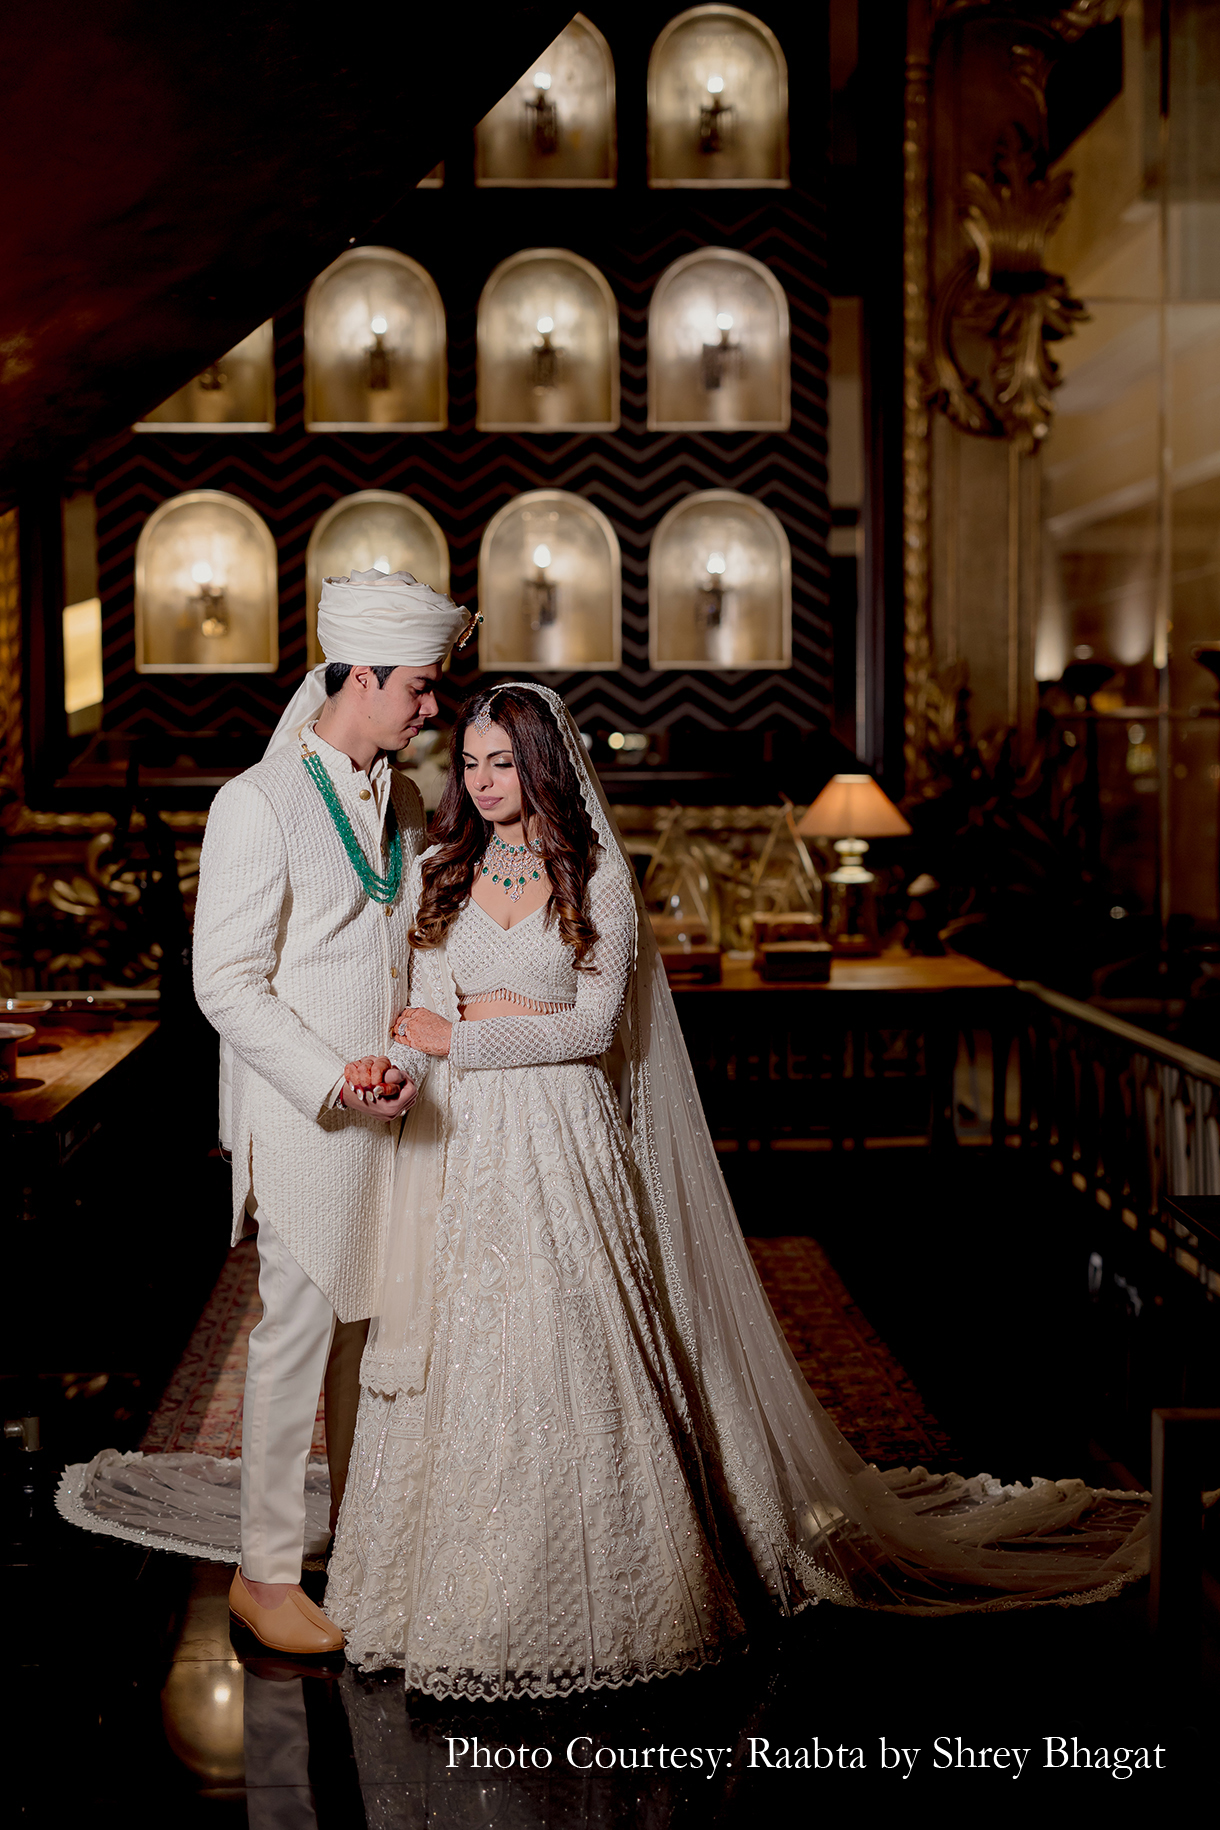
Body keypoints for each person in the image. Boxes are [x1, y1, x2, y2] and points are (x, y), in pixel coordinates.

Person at [324, 684, 1148, 1700]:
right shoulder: (442, 873)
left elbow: (588, 1031)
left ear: (543, 766)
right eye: (471, 762)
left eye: (500, 762)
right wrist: (412, 1057)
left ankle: (619, 1585)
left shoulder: (596, 881)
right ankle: (435, 1588)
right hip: (463, 1138)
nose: (481, 781)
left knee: (570, 1335)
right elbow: (416, 1011)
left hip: (562, 1135)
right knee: (463, 1344)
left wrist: (469, 1038)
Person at [188, 568, 475, 1657]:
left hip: (396, 1101)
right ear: (357, 676)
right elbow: (226, 984)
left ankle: (359, 1543)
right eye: (417, 686)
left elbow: (411, 952)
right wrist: (331, 1077)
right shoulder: (255, 803)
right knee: (296, 1337)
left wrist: (403, 1056)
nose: (431, 706)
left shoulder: (399, 800)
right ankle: (262, 1577)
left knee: (372, 1332)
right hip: (310, 1121)